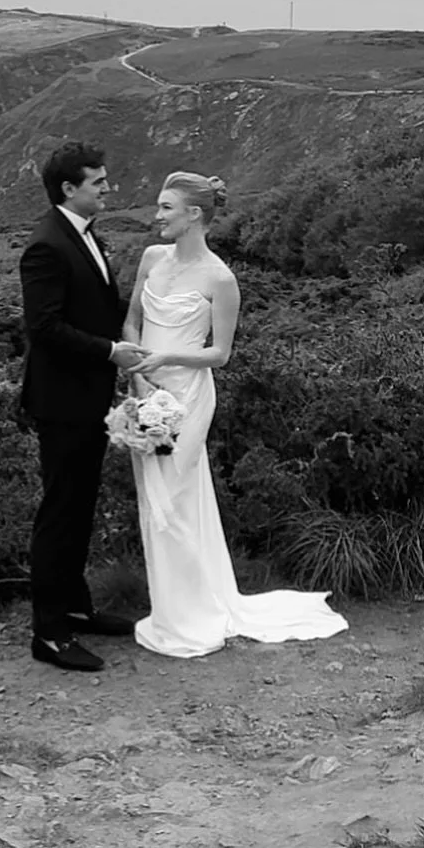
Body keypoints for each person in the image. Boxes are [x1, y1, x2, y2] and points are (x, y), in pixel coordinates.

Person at [123, 170, 349, 659]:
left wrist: (166, 361)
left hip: (185, 395)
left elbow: (220, 354)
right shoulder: (151, 258)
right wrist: (138, 372)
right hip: (145, 387)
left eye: (165, 207)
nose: (156, 215)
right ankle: (169, 610)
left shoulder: (220, 278)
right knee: (152, 497)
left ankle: (194, 613)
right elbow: (133, 317)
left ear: (193, 215)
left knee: (176, 495)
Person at [18, 142, 147, 672]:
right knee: (60, 514)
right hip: (62, 401)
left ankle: (74, 608)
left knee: (79, 509)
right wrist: (111, 352)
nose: (108, 187)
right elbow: (43, 327)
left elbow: (96, 305)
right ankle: (48, 633)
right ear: (69, 189)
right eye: (98, 181)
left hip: (86, 398)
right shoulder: (46, 246)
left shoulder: (86, 236)